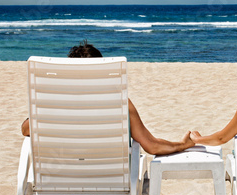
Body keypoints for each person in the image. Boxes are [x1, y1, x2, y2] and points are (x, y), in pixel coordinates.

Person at [21, 41, 195, 155]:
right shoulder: (120, 103)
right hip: (108, 184)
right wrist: (182, 144)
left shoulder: (54, 103)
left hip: (59, 186)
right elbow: (152, 146)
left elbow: (25, 130)